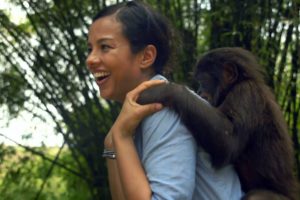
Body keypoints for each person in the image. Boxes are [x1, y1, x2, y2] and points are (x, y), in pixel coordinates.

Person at [86, 1, 243, 199]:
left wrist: (122, 138)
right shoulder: (134, 115)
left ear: (146, 56)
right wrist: (112, 144)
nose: (90, 59)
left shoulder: (164, 107)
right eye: (90, 49)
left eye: (105, 47)